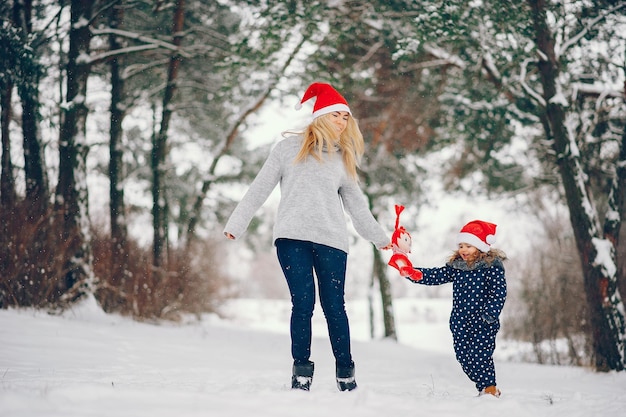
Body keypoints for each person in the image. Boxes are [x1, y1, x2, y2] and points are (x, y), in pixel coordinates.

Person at [223, 82, 391, 392]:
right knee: (302, 304)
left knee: (334, 306)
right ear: (322, 116)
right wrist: (238, 222)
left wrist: (383, 239)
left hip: (332, 242)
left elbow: (358, 209)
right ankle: (301, 372)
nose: (343, 122)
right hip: (292, 238)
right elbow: (259, 188)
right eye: (337, 115)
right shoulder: (287, 149)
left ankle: (346, 372)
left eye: (346, 118)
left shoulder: (344, 158)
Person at [403, 220, 507, 397]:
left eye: (469, 245)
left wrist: (489, 314)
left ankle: (489, 388)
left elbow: (498, 293)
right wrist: (412, 272)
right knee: (464, 358)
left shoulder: (491, 267)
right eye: (461, 245)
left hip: (483, 321)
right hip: (460, 321)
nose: (463, 250)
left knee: (480, 356)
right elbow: (434, 276)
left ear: (480, 246)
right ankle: (483, 387)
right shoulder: (457, 267)